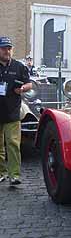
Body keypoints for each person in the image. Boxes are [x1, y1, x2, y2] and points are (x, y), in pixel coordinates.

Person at [0, 37, 33, 185]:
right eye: (3, 48)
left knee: (13, 144)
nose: (7, 51)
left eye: (9, 48)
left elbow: (29, 84)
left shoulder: (19, 67)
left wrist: (23, 89)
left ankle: (15, 175)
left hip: (12, 111)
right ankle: (1, 173)